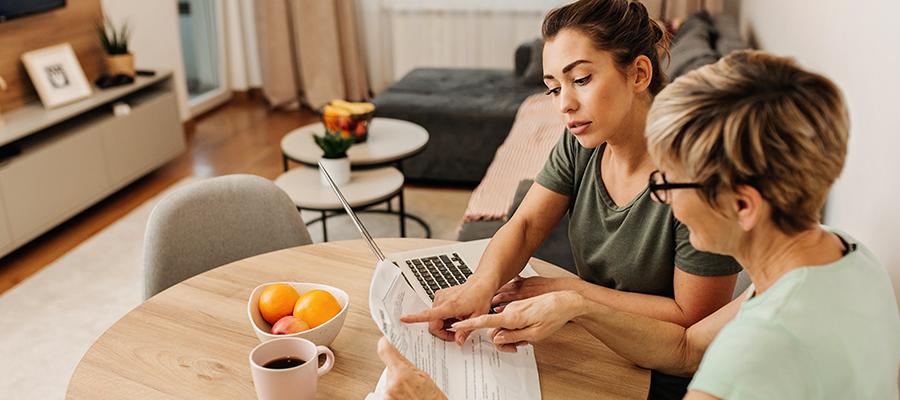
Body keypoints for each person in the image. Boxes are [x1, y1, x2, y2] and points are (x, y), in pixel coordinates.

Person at [379, 50, 900, 399]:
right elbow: (688, 348)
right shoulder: (845, 254)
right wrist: (576, 304)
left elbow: (716, 359)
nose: (664, 202)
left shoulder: (751, 356)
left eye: (672, 184)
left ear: (743, 206)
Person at [403, 0, 741, 397]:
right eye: (553, 87)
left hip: (661, 373)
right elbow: (526, 225)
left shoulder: (696, 177)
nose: (564, 104)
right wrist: (482, 283)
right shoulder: (582, 143)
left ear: (639, 73)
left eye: (580, 79)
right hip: (590, 336)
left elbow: (692, 323)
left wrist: (572, 293)